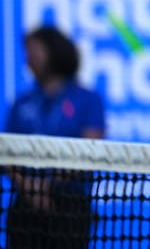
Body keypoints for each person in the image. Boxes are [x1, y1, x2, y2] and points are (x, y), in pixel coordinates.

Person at [4, 25, 106, 249]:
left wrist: (48, 185)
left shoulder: (87, 99)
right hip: (25, 206)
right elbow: (5, 152)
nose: (29, 58)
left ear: (54, 51)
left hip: (70, 205)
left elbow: (90, 150)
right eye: (27, 52)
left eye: (34, 50)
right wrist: (29, 186)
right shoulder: (21, 103)